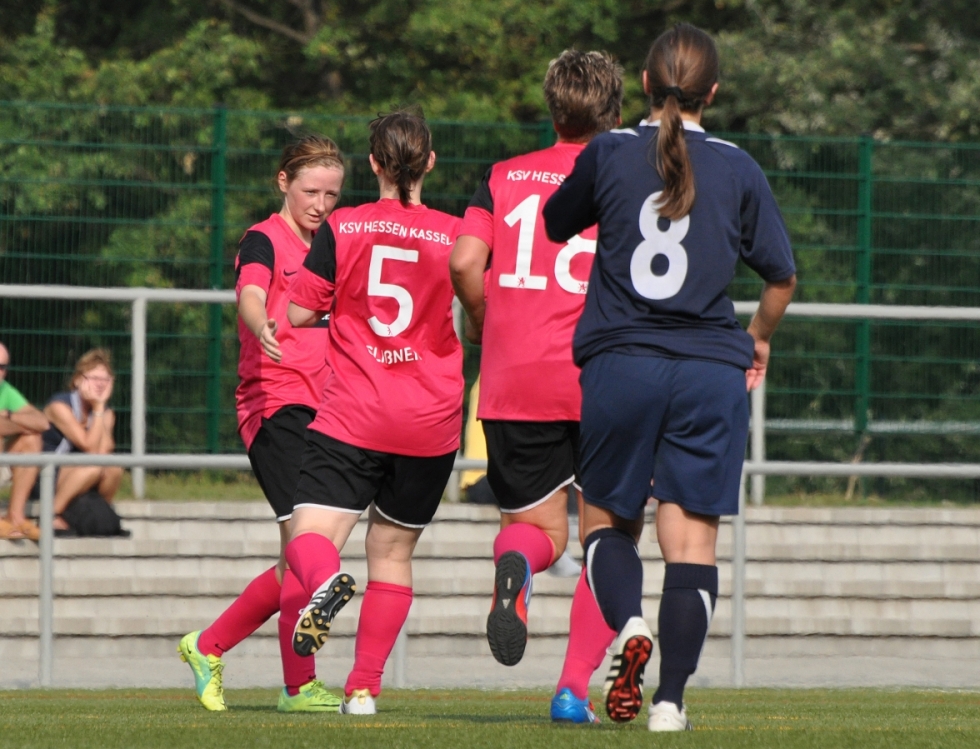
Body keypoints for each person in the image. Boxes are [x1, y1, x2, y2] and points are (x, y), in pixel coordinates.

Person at [543, 23, 797, 731]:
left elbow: (555, 225)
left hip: (622, 363)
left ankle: (628, 627)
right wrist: (758, 340)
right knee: (692, 545)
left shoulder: (609, 151)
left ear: (646, 87)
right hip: (711, 371)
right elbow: (781, 276)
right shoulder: (740, 166)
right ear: (712, 92)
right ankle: (670, 703)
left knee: (606, 527)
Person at [450, 49, 624, 724]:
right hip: (602, 373)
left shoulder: (500, 176)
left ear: (552, 107)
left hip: (515, 374)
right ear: (612, 108)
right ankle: (572, 689)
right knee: (608, 539)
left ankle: (516, 570)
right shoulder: (624, 174)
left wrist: (482, 321)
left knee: (533, 526)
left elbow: (466, 261)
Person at [279, 109, 463, 716]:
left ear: (373, 164)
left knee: (311, 539)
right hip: (430, 419)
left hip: (355, 412)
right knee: (391, 556)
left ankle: (326, 584)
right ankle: (363, 690)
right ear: (429, 163)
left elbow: (301, 314)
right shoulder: (456, 233)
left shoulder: (344, 225)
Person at [177, 135, 346, 713]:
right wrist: (261, 323)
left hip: (330, 409)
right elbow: (250, 290)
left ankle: (212, 647)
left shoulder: (333, 242)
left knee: (289, 564)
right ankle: (304, 660)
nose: (321, 204)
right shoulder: (263, 238)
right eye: (310, 191)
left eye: (331, 193)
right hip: (275, 407)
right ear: (283, 183)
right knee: (309, 542)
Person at [38, 349, 124, 531]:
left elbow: (104, 450)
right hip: (49, 472)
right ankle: (51, 515)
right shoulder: (59, 406)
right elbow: (90, 447)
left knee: (114, 469)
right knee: (93, 467)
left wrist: (99, 408)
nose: (100, 384)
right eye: (94, 378)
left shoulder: (106, 413)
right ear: (78, 380)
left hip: (84, 471)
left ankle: (100, 511)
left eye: (105, 379)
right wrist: (99, 407)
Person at [0, 342, 50, 541]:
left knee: (32, 439)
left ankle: (16, 516)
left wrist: (10, 416)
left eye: (3, 367)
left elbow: (42, 422)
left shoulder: (5, 390)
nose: (0, 372)